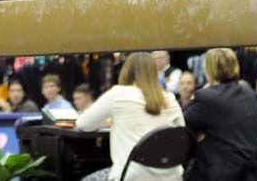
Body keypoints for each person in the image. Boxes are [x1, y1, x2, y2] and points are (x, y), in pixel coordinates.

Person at [75, 50, 184, 181]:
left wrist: (110, 121)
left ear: (126, 71)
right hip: (171, 175)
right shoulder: (170, 98)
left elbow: (83, 124)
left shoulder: (118, 94)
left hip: (132, 176)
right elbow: (181, 134)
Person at [183, 47, 257, 181]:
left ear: (208, 70)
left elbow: (182, 122)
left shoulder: (207, 97)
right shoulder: (248, 93)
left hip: (223, 174)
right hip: (254, 172)